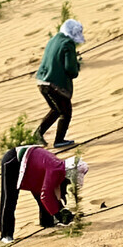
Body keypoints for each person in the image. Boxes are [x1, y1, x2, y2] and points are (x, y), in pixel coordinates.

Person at [0, 145, 89, 243]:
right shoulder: (55, 169)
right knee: (9, 199)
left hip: (32, 169)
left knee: (41, 191)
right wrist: (59, 214)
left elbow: (50, 192)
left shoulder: (59, 168)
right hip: (13, 161)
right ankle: (6, 235)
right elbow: (46, 195)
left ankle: (47, 222)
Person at [35, 19, 84, 149]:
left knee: (56, 110)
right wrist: (76, 65)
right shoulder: (68, 43)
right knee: (66, 112)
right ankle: (59, 140)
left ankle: (38, 134)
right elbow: (70, 69)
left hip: (41, 81)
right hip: (54, 83)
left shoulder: (53, 39)